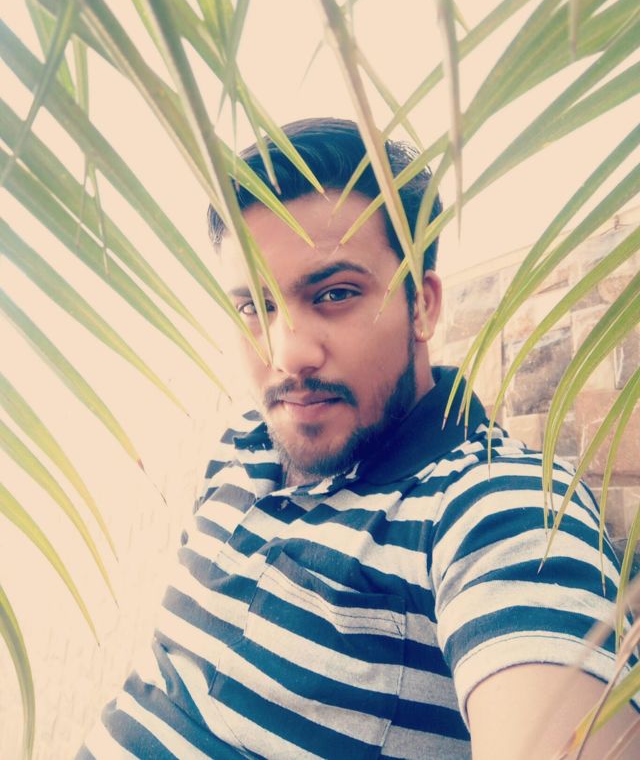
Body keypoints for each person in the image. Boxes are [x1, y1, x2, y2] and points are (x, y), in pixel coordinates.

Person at [79, 118, 638, 759]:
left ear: (423, 305)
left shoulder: (494, 508)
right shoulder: (243, 444)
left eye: (335, 294)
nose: (288, 354)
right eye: (255, 307)